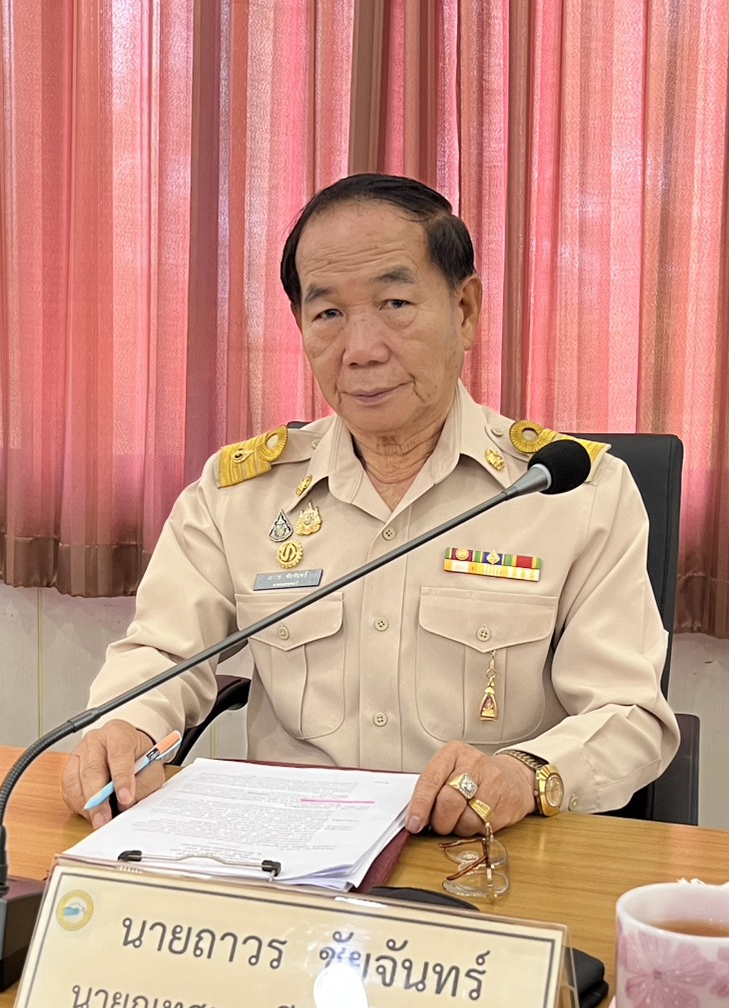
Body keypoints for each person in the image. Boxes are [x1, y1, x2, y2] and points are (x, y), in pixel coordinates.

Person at [62, 173, 678, 837]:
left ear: (465, 310)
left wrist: (525, 774)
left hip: (484, 852)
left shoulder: (573, 493)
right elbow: (162, 653)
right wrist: (125, 727)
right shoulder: (239, 495)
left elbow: (628, 714)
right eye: (328, 314)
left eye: (395, 304)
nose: (360, 351)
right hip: (287, 853)